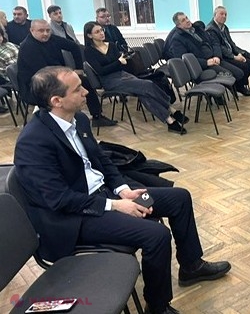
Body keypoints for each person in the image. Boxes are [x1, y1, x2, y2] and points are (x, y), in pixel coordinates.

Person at [14, 66, 231, 314]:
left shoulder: (78, 120)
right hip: (75, 217)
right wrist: (115, 205)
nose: (86, 92)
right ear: (56, 101)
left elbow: (102, 161)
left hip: (105, 195)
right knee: (156, 236)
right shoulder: (34, 141)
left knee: (179, 198)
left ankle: (191, 266)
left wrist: (123, 189)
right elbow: (59, 199)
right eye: (77, 89)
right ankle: (157, 307)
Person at [83, 21, 187, 134]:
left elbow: (122, 64)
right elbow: (101, 71)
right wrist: (118, 62)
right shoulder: (88, 51)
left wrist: (121, 62)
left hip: (123, 75)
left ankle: (170, 121)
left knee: (143, 93)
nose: (101, 33)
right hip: (109, 81)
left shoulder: (111, 45)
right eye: (97, 32)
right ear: (89, 35)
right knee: (147, 85)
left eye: (101, 30)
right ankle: (172, 110)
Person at [17, 19, 116, 127]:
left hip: (57, 76)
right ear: (32, 30)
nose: (45, 34)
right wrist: (67, 76)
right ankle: (67, 121)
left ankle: (97, 116)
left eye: (48, 30)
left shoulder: (52, 39)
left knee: (84, 82)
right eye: (41, 31)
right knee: (67, 91)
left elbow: (74, 47)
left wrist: (79, 68)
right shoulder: (27, 47)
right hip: (37, 85)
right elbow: (42, 72)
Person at [167, 12, 235, 79]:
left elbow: (214, 42)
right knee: (229, 75)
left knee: (238, 72)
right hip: (201, 66)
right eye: (183, 20)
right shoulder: (177, 40)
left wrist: (217, 56)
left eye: (186, 18)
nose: (187, 21)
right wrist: (206, 63)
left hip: (214, 58)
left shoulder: (197, 28)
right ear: (178, 26)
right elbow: (185, 60)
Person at [206, 6, 250, 96]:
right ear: (215, 15)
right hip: (223, 57)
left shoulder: (224, 27)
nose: (224, 16)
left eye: (225, 14)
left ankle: (238, 84)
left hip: (230, 53)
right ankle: (239, 87)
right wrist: (234, 57)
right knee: (244, 66)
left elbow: (231, 44)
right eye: (221, 14)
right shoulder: (211, 29)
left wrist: (241, 53)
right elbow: (220, 48)